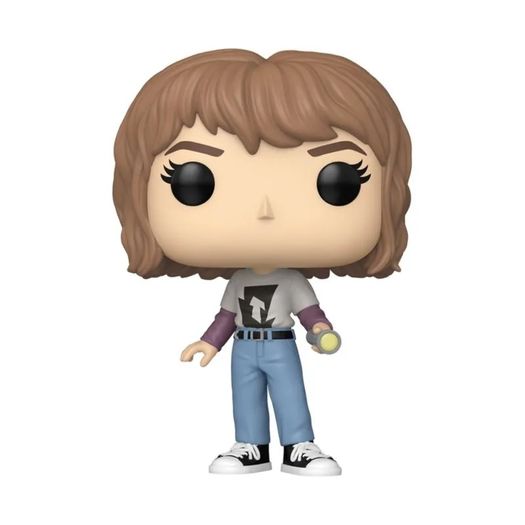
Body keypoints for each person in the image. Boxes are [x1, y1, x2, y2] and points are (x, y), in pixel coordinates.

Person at [113, 49, 411, 476]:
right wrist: (209, 342)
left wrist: (321, 331)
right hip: (244, 345)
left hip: (280, 344)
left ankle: (299, 444)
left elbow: (309, 312)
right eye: (193, 180)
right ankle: (250, 445)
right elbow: (225, 315)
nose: (265, 210)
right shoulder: (239, 280)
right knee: (245, 394)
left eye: (339, 180)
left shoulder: (291, 281)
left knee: (289, 393)